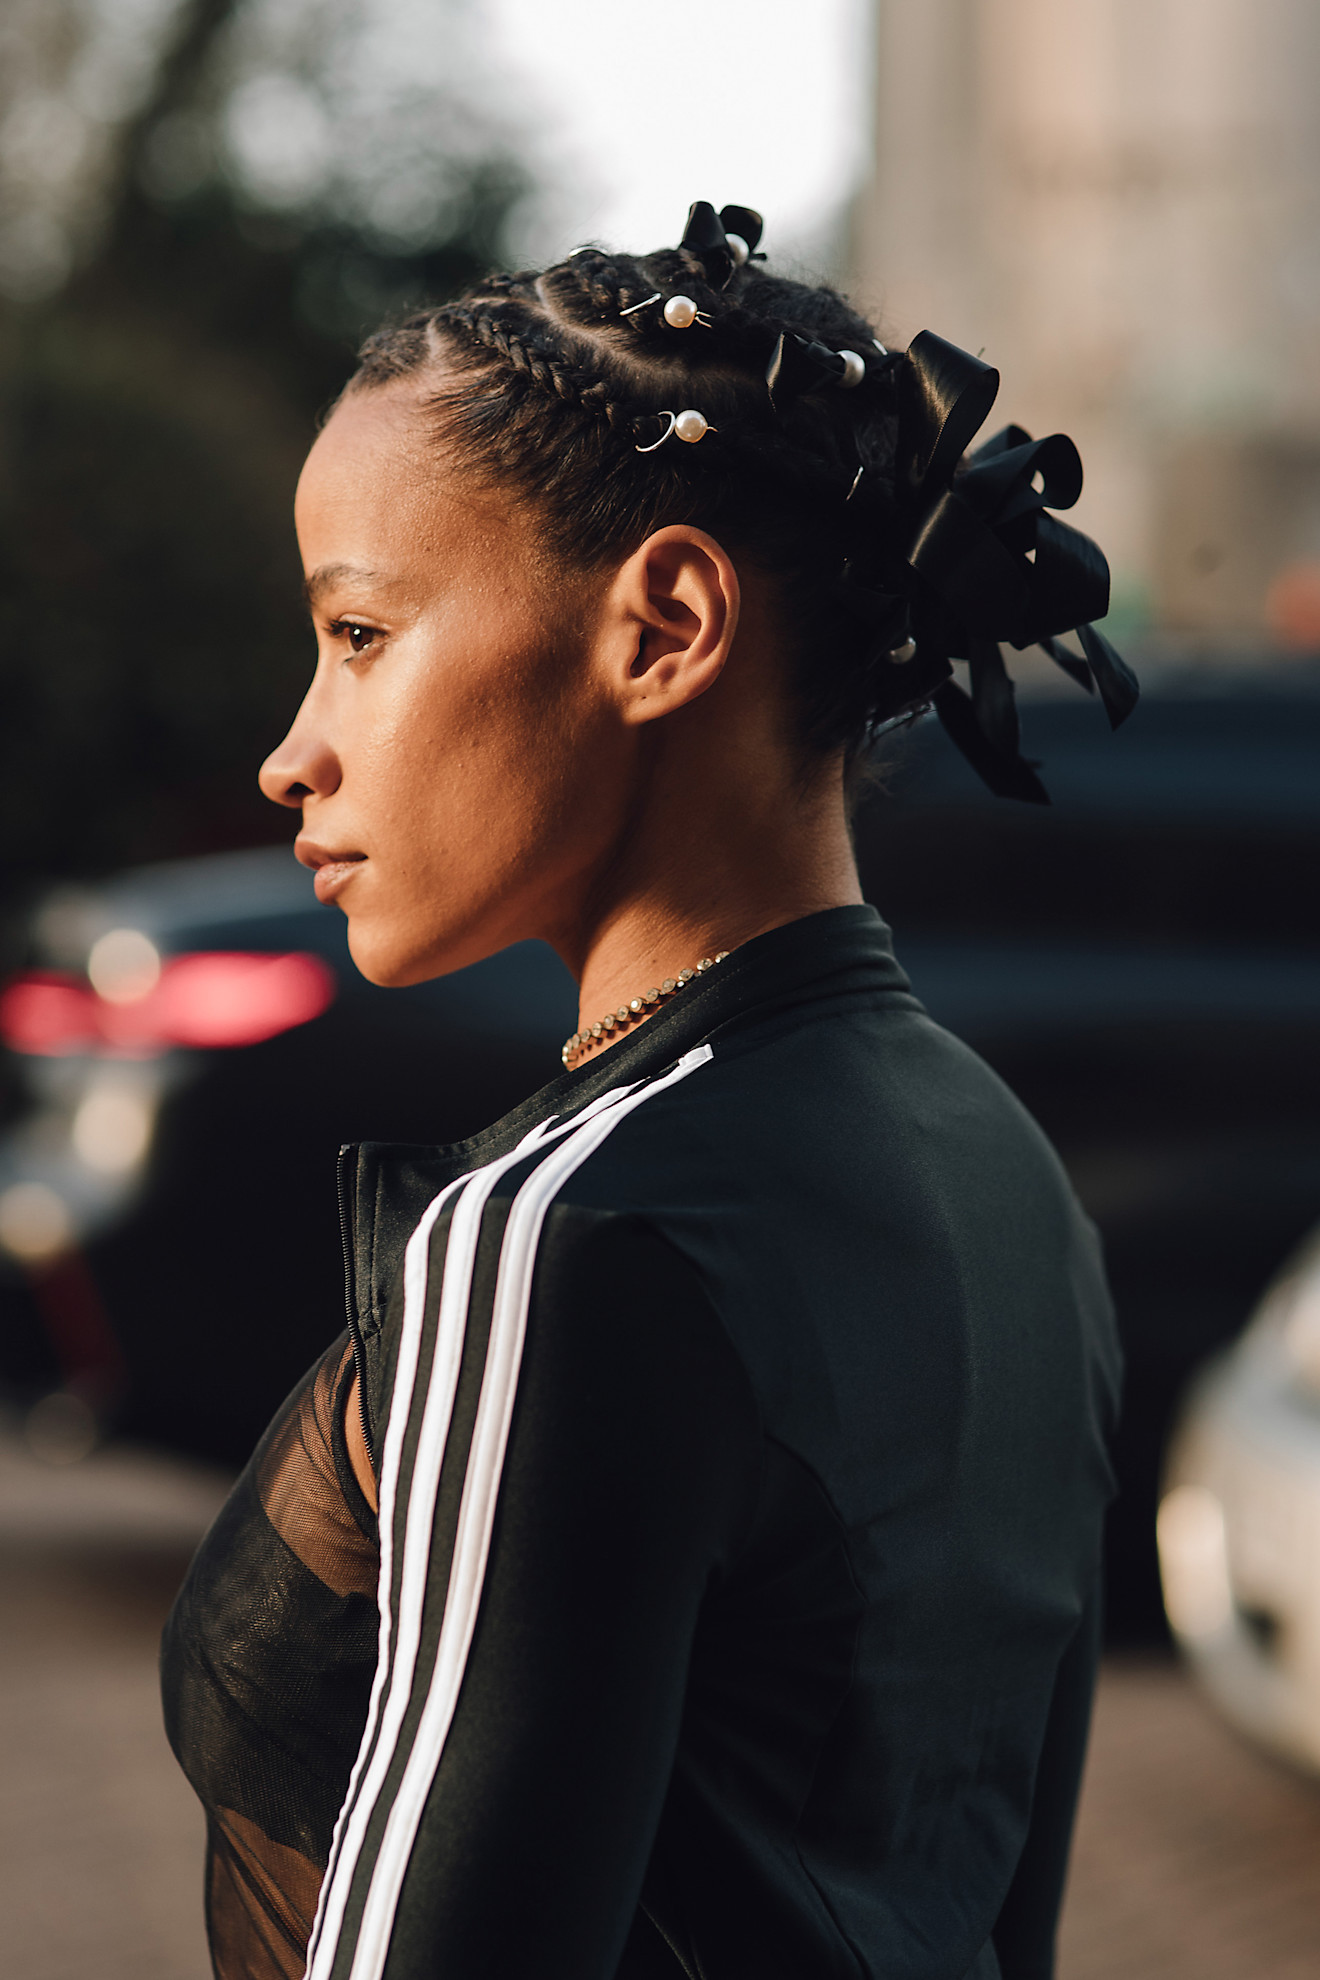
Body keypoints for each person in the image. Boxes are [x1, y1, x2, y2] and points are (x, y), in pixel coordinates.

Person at [161, 201, 1127, 1980]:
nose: (293, 752)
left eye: (360, 635)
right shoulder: (1021, 1192)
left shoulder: (561, 1242)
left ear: (666, 622)